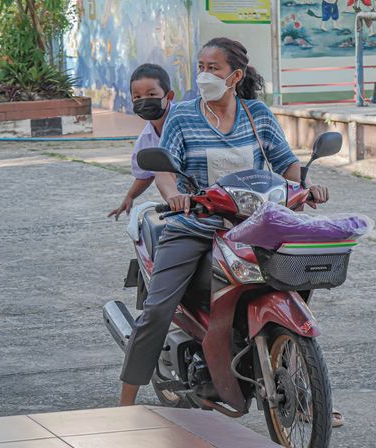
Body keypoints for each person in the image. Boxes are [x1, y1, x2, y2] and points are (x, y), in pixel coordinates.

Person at [119, 36, 343, 427]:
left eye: (213, 68)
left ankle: (310, 396)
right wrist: (175, 197)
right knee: (158, 310)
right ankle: (124, 405)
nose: (204, 75)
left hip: (254, 224)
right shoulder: (184, 116)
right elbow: (164, 170)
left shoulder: (257, 114)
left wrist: (307, 187)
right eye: (201, 68)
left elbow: (286, 164)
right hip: (195, 224)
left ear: (235, 75)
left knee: (289, 288)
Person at [107, 63, 175, 220]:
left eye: (151, 95)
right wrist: (130, 196)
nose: (144, 101)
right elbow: (145, 174)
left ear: (169, 96)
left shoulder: (187, 122)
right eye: (137, 97)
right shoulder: (146, 140)